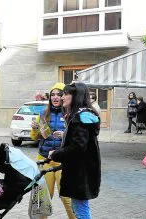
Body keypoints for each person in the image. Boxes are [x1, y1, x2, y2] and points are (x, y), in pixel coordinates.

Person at [48, 82, 101, 219]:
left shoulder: (79, 118)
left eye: (65, 94)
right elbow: (81, 141)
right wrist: (65, 134)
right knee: (79, 208)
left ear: (76, 96)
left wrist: (56, 154)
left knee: (81, 209)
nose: (62, 97)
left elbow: (78, 147)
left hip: (80, 172)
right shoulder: (82, 115)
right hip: (82, 171)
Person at [30, 83, 76, 219]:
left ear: (65, 96)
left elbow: (78, 139)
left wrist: (65, 135)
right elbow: (34, 137)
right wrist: (34, 128)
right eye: (53, 95)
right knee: (43, 198)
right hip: (45, 160)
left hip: (63, 161)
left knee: (66, 197)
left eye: (59, 94)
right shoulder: (43, 114)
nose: (55, 97)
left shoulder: (71, 114)